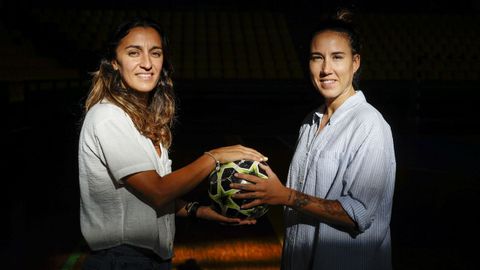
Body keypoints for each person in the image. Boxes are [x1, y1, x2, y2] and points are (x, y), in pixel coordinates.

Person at [78, 17, 267, 270]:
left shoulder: (145, 121)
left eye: (155, 53)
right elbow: (159, 191)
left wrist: (199, 211)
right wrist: (213, 157)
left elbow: (142, 199)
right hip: (122, 259)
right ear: (114, 62)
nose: (147, 63)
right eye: (134, 53)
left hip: (152, 259)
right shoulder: (108, 117)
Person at [231, 10, 396, 270]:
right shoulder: (310, 121)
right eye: (317, 58)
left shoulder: (369, 125)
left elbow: (357, 214)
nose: (326, 69)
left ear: (355, 63)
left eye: (337, 57)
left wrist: (284, 195)